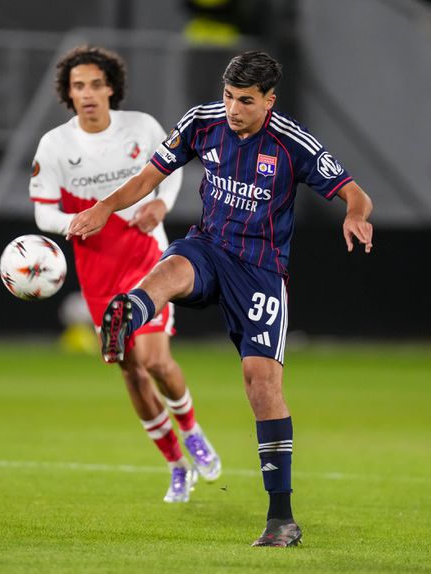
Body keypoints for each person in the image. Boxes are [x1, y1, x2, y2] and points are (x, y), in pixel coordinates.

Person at [67, 51, 374, 547]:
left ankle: (281, 519)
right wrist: (104, 207)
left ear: (270, 100)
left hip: (260, 273)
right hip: (210, 247)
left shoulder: (293, 143)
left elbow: (355, 192)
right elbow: (149, 179)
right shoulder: (201, 122)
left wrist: (354, 215)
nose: (233, 109)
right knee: (170, 267)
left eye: (246, 101)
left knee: (261, 384)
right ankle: (127, 312)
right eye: (229, 96)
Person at [29, 46, 222, 503]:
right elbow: (43, 213)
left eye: (96, 83)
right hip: (97, 272)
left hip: (145, 260)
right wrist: (77, 223)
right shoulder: (55, 146)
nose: (89, 93)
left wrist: (160, 203)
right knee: (132, 373)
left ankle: (192, 430)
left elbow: (170, 172)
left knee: (156, 361)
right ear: (69, 94)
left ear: (111, 87)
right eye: (79, 86)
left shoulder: (141, 128)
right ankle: (177, 465)